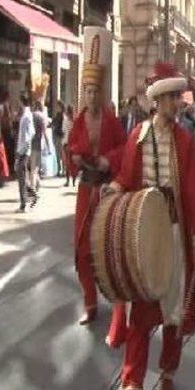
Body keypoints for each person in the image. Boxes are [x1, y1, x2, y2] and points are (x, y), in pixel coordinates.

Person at [104, 61, 195, 390]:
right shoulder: (137, 136)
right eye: (170, 98)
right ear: (157, 100)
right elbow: (126, 176)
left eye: (177, 97)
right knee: (141, 313)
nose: (177, 103)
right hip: (144, 235)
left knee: (173, 313)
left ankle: (168, 367)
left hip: (175, 234)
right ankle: (132, 384)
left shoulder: (184, 140)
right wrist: (112, 190)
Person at [68, 58, 127, 325]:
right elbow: (70, 150)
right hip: (85, 190)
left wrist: (108, 160)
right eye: (87, 91)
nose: (91, 96)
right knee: (82, 248)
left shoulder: (113, 122)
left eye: (95, 91)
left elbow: (126, 151)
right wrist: (75, 159)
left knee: (108, 248)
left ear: (101, 94)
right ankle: (90, 303)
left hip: (106, 191)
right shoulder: (78, 122)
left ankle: (118, 306)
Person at [15, 95, 35, 213]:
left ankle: (24, 203)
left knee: (22, 178)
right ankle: (27, 200)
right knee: (23, 177)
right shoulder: (27, 115)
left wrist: (21, 151)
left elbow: (28, 135)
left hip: (23, 150)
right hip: (24, 149)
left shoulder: (26, 117)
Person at [62, 105, 75, 187]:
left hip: (66, 142)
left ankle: (67, 181)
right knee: (73, 163)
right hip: (74, 143)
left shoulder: (65, 120)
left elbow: (63, 130)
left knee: (67, 162)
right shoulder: (75, 120)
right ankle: (73, 181)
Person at [51, 101, 65, 177]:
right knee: (58, 154)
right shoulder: (57, 115)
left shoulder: (62, 116)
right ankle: (59, 170)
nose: (56, 108)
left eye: (57, 106)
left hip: (59, 136)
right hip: (56, 136)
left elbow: (59, 126)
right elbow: (53, 124)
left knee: (60, 154)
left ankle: (62, 170)